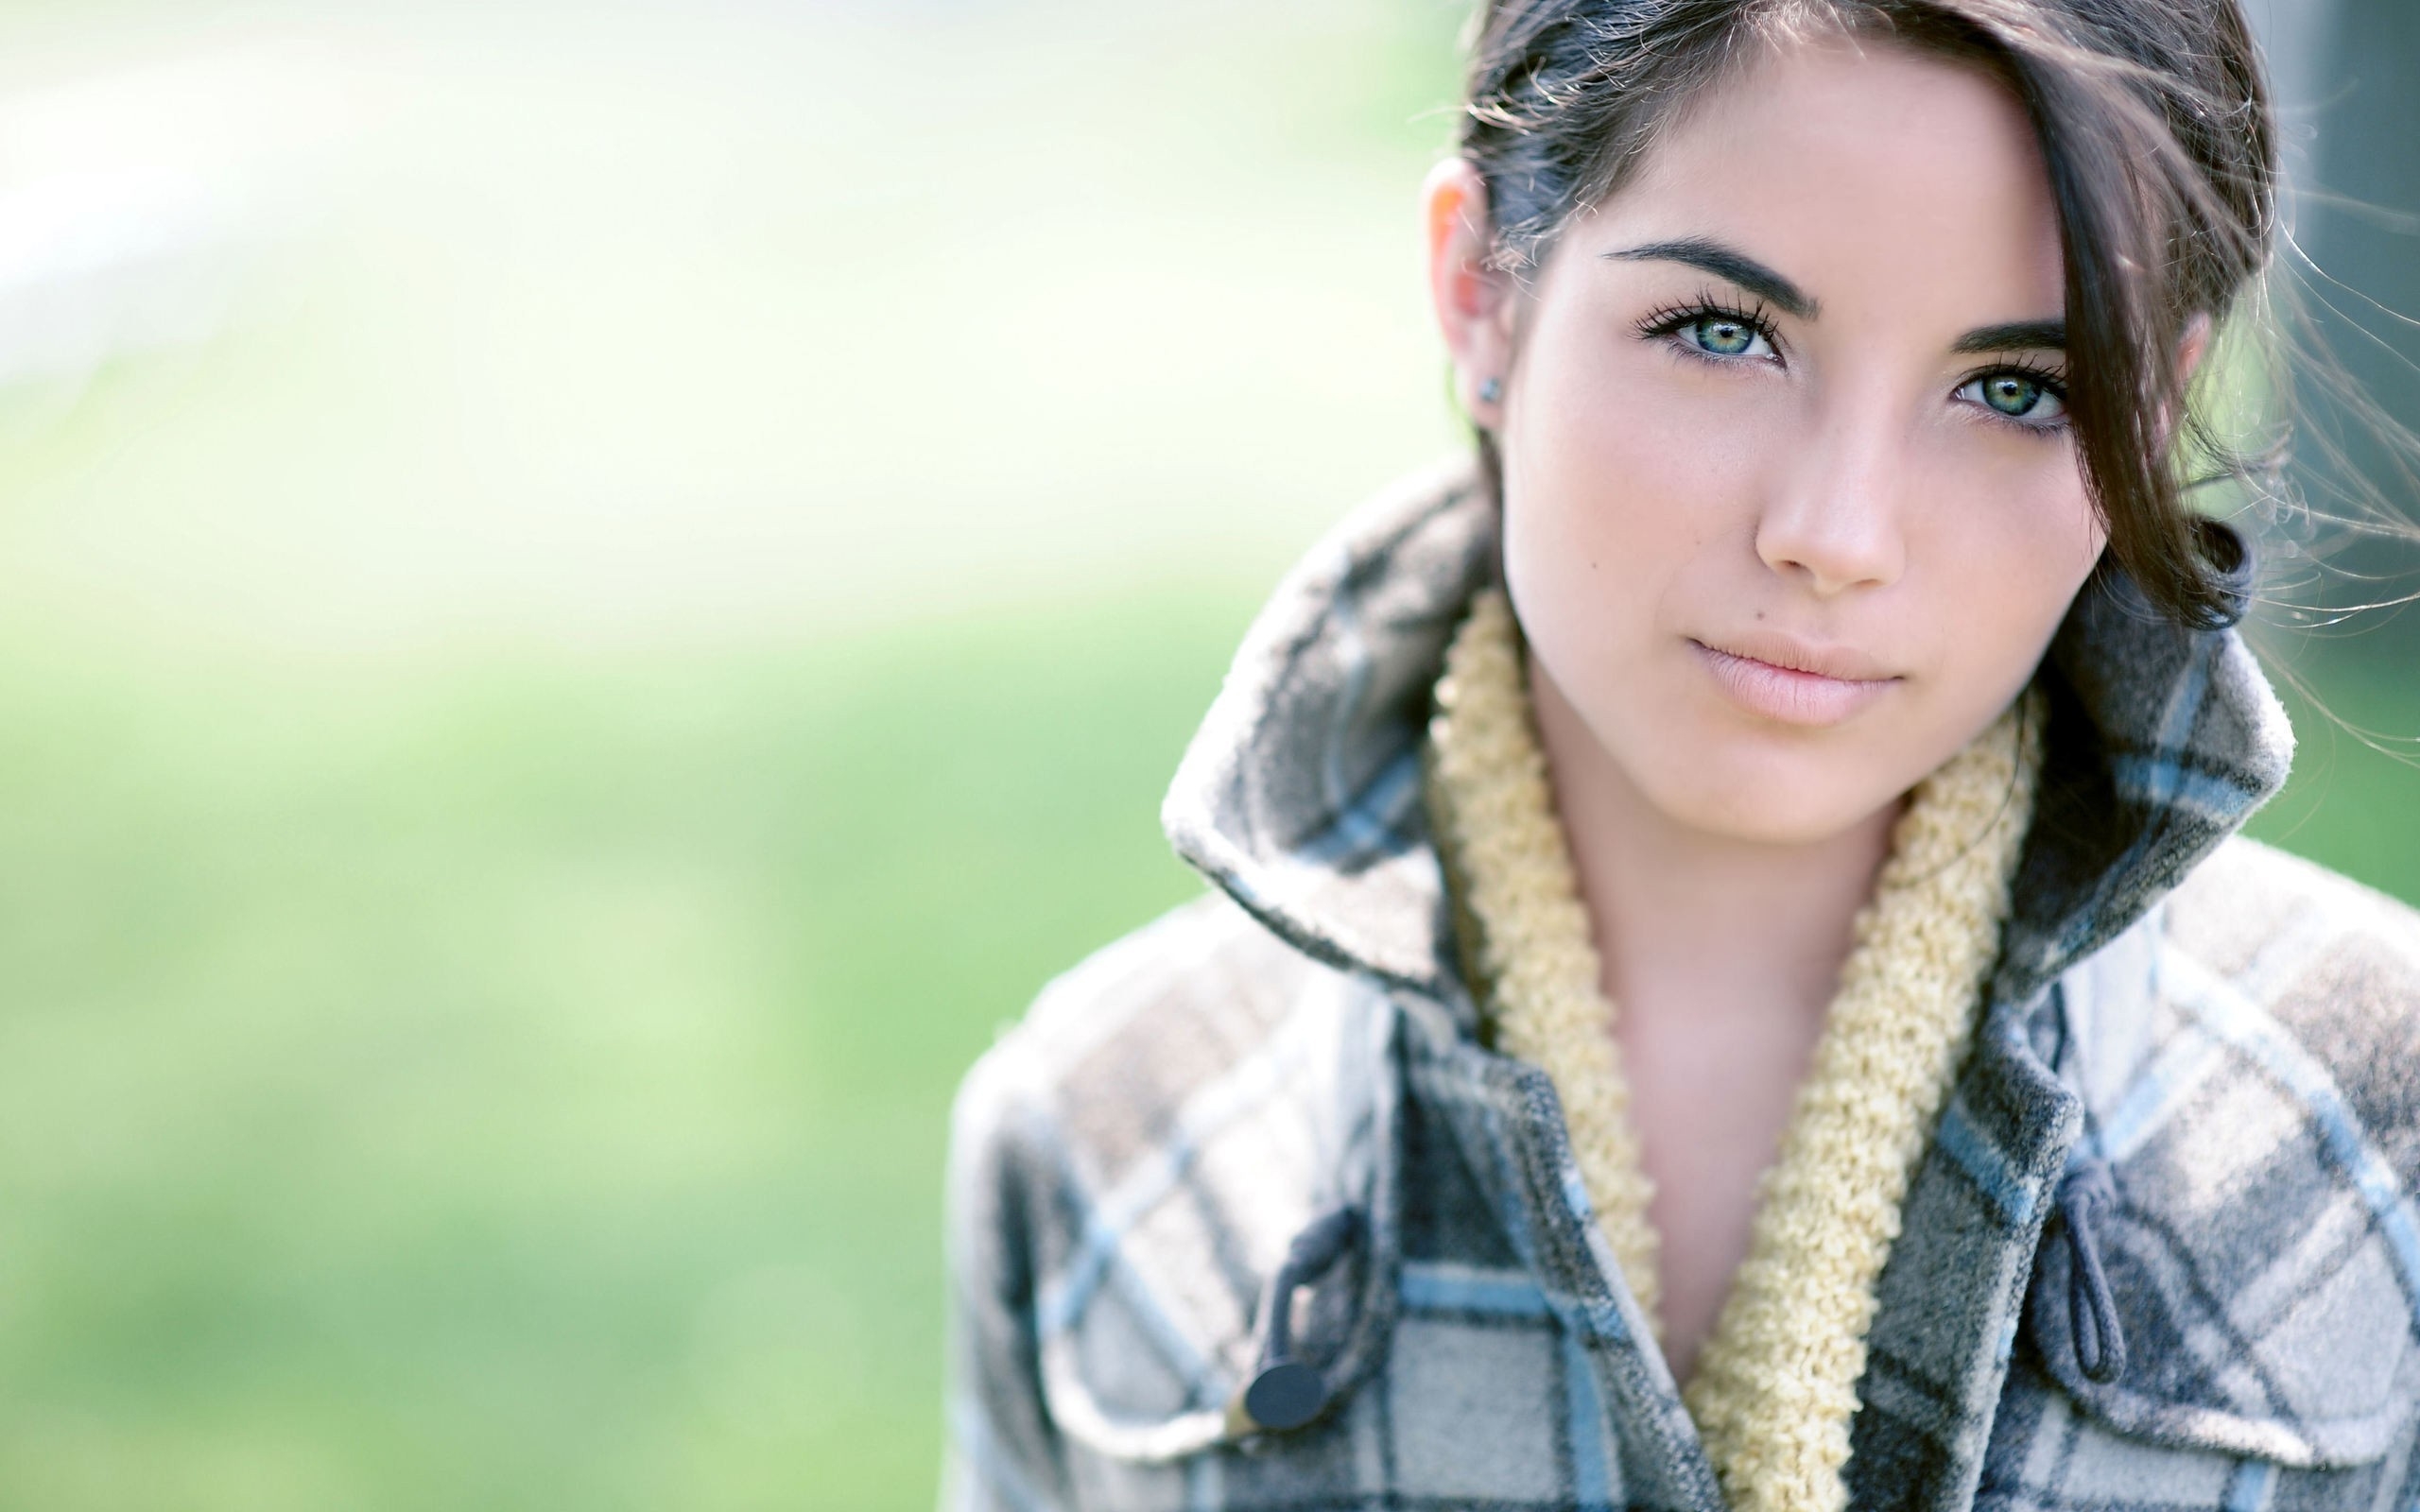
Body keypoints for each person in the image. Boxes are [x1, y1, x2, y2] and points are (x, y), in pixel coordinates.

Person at [941, 2, 2420, 1509]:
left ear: (2152, 414)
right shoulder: (1102, 1131)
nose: (1838, 536)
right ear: (1479, 296)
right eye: (1724, 334)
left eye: (2017, 389)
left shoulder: (2386, 1111)